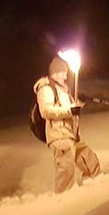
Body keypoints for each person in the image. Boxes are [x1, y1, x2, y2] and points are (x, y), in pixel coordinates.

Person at [34, 56, 101, 193]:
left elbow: (73, 109)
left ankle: (93, 188)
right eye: (63, 72)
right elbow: (46, 111)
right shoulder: (46, 89)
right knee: (66, 170)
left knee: (90, 161)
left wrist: (80, 102)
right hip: (59, 136)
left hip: (73, 134)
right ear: (55, 73)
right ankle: (63, 200)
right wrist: (69, 110)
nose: (66, 76)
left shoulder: (65, 90)